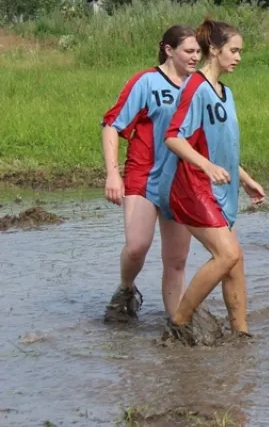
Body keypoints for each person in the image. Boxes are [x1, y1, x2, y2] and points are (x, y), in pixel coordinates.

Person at [159, 18, 265, 344]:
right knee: (227, 254)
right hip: (192, 187)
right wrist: (205, 166)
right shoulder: (195, 87)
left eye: (240, 51)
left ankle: (241, 333)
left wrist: (243, 178)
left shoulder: (225, 92)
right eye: (233, 50)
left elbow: (222, 145)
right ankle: (178, 321)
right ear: (214, 50)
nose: (238, 57)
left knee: (235, 260)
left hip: (222, 188)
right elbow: (173, 137)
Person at [100, 25, 199, 323]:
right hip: (143, 177)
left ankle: (176, 322)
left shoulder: (199, 87)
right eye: (189, 51)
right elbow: (112, 126)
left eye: (198, 52)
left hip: (181, 182)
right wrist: (112, 174)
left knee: (177, 260)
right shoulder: (145, 82)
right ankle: (127, 288)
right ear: (169, 50)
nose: (195, 57)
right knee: (137, 247)